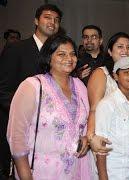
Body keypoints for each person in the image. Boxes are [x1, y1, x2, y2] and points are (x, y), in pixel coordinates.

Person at [6, 34, 92, 179]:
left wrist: (85, 138)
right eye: (61, 54)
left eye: (72, 54)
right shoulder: (32, 86)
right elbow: (16, 137)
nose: (69, 59)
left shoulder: (80, 86)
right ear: (48, 57)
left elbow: (87, 122)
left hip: (75, 172)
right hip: (41, 172)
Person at [0, 4, 62, 178]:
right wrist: (25, 115)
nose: (52, 22)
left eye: (56, 20)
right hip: (22, 128)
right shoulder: (17, 49)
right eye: (48, 17)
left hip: (51, 131)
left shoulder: (59, 53)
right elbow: (3, 90)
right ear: (36, 20)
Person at [95, 57, 129, 179]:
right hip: (115, 173)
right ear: (115, 76)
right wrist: (103, 177)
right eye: (126, 73)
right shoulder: (107, 104)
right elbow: (100, 146)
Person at [86, 32, 129, 154]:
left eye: (128, 47)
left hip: (126, 141)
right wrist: (91, 137)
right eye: (120, 46)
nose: (125, 50)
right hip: (105, 140)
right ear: (110, 51)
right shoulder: (102, 73)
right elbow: (93, 109)